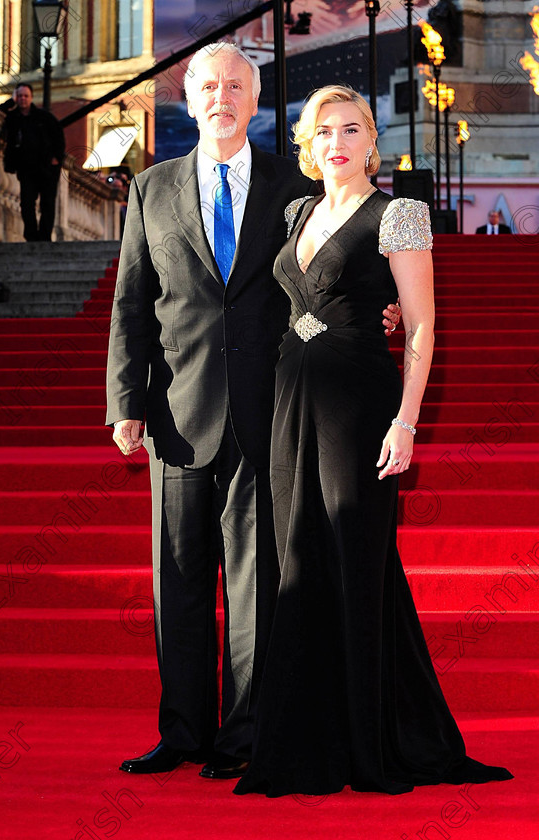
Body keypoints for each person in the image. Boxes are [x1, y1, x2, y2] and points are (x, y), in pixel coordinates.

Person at [106, 45, 401, 782]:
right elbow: (131, 303)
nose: (221, 97)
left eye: (235, 85)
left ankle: (243, 732)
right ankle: (180, 732)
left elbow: (324, 279)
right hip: (175, 412)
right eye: (208, 85)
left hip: (272, 412)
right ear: (187, 95)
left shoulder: (291, 189)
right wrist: (124, 403)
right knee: (176, 579)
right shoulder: (150, 188)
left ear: (255, 96)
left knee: (255, 583)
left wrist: (373, 316)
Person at [234, 85, 513, 797]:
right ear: (305, 141)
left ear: (371, 140)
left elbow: (417, 324)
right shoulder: (297, 211)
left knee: (355, 563)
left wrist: (407, 420)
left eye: (351, 128)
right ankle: (303, 736)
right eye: (323, 130)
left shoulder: (400, 214)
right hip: (289, 402)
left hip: (359, 404)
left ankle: (369, 740)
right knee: (296, 559)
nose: (337, 141)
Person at [2, 83, 65, 241]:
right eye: (19, 96)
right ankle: (31, 236)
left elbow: (58, 137)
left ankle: (44, 237)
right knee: (27, 204)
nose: (22, 99)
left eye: (25, 96)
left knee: (47, 203)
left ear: (31, 98)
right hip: (26, 168)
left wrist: (57, 158)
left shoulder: (45, 117)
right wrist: (10, 102)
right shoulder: (12, 118)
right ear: (16, 97)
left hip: (47, 168)